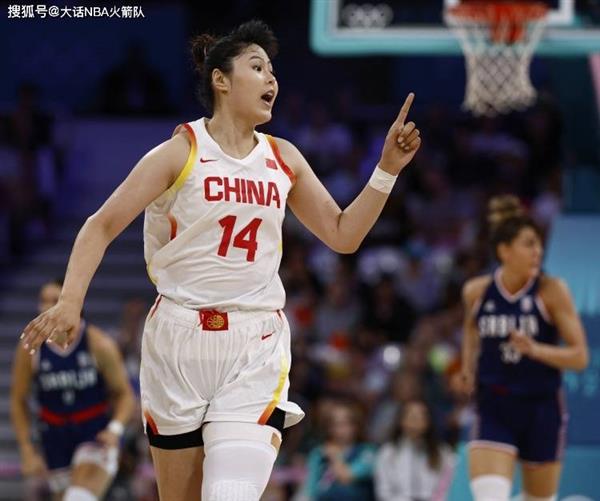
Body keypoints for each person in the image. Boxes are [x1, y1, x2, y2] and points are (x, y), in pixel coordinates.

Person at [20, 20, 421, 501]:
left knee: (228, 493)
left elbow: (343, 234)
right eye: (257, 67)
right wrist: (70, 301)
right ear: (220, 79)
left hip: (254, 340)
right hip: (177, 338)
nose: (271, 79)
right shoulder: (180, 152)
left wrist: (385, 171)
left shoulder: (284, 158)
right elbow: (101, 225)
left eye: (273, 71)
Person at [459, 195, 589, 501]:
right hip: (494, 405)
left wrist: (535, 350)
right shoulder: (477, 291)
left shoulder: (551, 290)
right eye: (529, 244)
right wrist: (467, 368)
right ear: (504, 251)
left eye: (539, 244)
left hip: (541, 408)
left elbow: (580, 357)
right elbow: (471, 330)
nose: (538, 251)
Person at [11, 279, 135, 501]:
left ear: (73, 303)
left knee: (78, 497)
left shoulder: (99, 343)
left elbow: (125, 394)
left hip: (94, 433)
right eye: (43, 300)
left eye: (54, 300)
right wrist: (27, 449)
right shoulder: (30, 348)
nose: (46, 307)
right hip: (54, 437)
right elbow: (18, 400)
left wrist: (115, 429)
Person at [374, 399, 455, 501]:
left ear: (428, 421)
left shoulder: (443, 452)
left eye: (421, 417)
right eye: (411, 417)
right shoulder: (388, 452)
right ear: (401, 420)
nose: (416, 422)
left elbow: (450, 487)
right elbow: (383, 492)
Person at [300, 400, 376, 501]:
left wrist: (335, 457)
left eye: (345, 424)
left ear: (356, 426)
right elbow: (309, 489)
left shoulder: (367, 451)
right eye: (334, 424)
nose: (339, 429)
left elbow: (346, 476)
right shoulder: (318, 453)